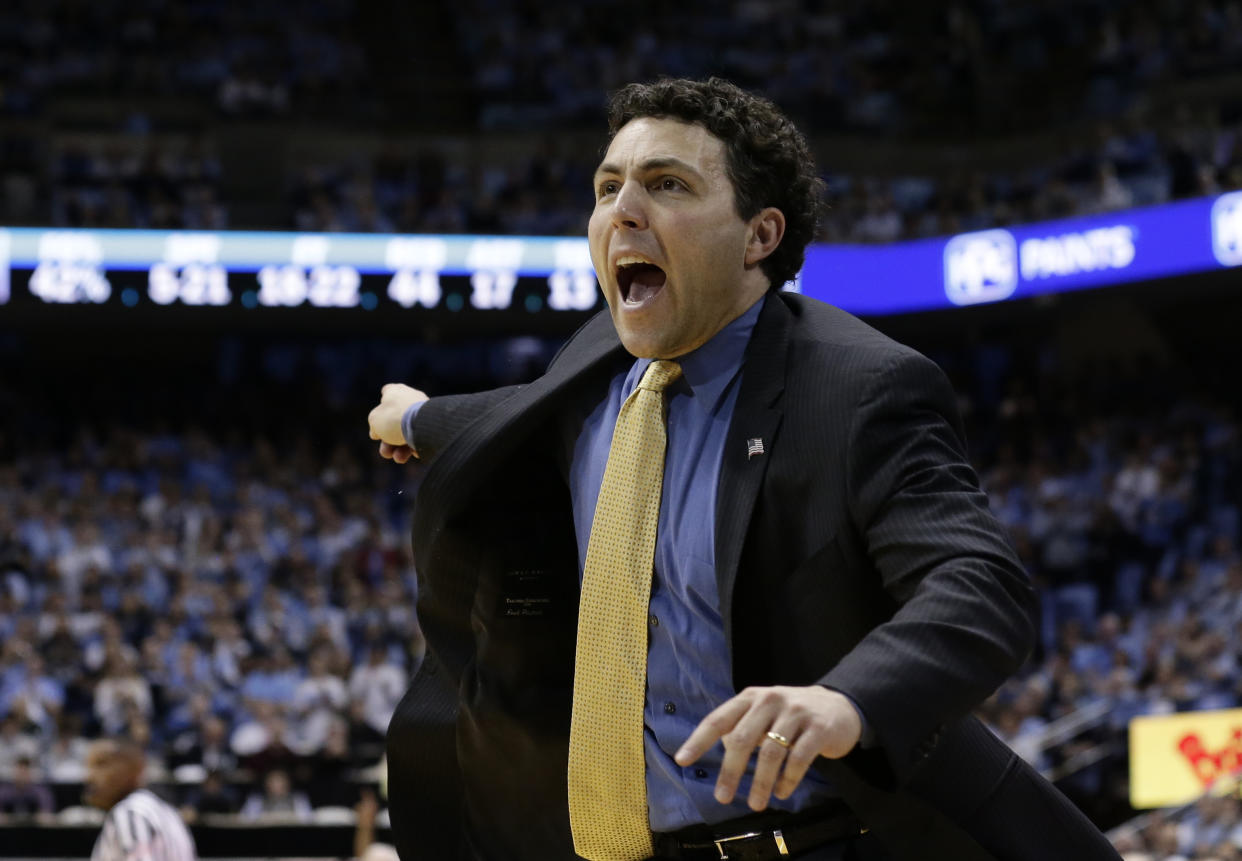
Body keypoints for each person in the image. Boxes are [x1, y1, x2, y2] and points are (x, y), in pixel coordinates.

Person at [368, 77, 1121, 861]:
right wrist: (416, 417)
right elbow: (510, 411)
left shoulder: (858, 389)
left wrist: (845, 699)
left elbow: (978, 584)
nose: (622, 209)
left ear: (759, 235)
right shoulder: (594, 370)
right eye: (607, 186)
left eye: (667, 184)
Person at [84, 738, 196, 861]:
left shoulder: (131, 813)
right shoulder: (168, 813)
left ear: (136, 767)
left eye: (101, 764)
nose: (89, 776)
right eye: (89, 766)